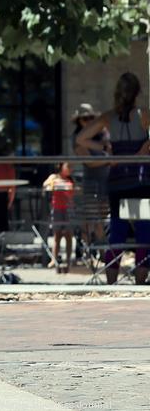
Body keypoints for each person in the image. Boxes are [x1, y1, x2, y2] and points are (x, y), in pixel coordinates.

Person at [77, 73, 150, 284]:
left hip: (117, 181)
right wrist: (143, 150)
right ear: (137, 92)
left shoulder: (109, 117)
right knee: (144, 229)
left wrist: (104, 150)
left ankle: (111, 282)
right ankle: (140, 281)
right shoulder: (143, 114)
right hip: (140, 180)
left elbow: (82, 138)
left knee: (117, 229)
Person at [71, 102, 110, 253]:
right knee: (93, 221)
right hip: (91, 183)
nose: (88, 121)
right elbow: (89, 162)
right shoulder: (78, 138)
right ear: (79, 121)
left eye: (91, 118)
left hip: (106, 181)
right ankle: (94, 254)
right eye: (85, 119)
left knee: (102, 219)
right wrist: (109, 160)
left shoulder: (101, 134)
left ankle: (100, 253)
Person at [42, 162, 76, 273]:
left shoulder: (71, 179)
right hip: (57, 209)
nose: (71, 169)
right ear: (61, 167)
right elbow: (45, 185)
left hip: (68, 209)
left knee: (68, 236)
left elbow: (73, 193)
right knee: (57, 235)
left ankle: (68, 260)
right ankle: (54, 259)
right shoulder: (54, 177)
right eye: (69, 166)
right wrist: (55, 183)